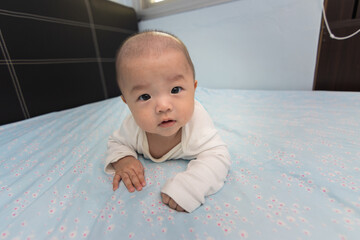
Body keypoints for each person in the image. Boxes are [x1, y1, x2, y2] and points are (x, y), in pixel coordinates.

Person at [104, 30, 231, 213]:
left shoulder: (197, 123)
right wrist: (123, 159)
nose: (163, 106)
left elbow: (218, 156)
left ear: (194, 89)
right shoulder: (133, 126)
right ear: (127, 103)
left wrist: (191, 185)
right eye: (145, 96)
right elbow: (117, 142)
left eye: (176, 89)